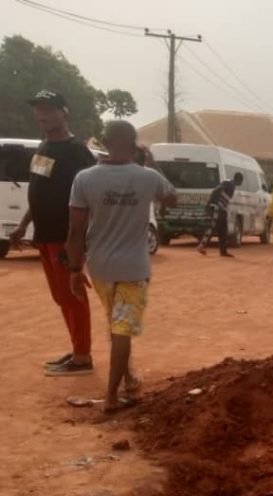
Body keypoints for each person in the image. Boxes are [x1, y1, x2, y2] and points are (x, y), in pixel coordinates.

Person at [65, 120, 177, 413]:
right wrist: (150, 161)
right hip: (134, 268)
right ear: (134, 143)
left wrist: (74, 271)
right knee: (121, 331)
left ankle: (129, 380)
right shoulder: (148, 178)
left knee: (117, 328)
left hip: (99, 266)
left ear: (104, 142)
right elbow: (171, 196)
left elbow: (75, 231)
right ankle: (113, 396)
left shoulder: (85, 179)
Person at [10, 90, 97, 376]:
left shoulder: (77, 152)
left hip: (65, 236)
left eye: (48, 109)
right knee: (61, 296)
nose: (41, 115)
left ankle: (83, 357)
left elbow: (90, 196)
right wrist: (24, 224)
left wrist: (81, 240)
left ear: (64, 112)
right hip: (44, 234)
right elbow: (38, 189)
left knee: (72, 295)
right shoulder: (44, 147)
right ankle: (77, 348)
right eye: (38, 110)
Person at [198, 172, 243, 257]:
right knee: (212, 227)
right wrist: (210, 203)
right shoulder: (228, 183)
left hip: (223, 209)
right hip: (217, 208)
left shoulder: (232, 185)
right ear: (239, 179)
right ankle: (202, 245)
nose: (241, 183)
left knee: (223, 231)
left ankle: (223, 251)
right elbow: (216, 191)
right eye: (241, 181)